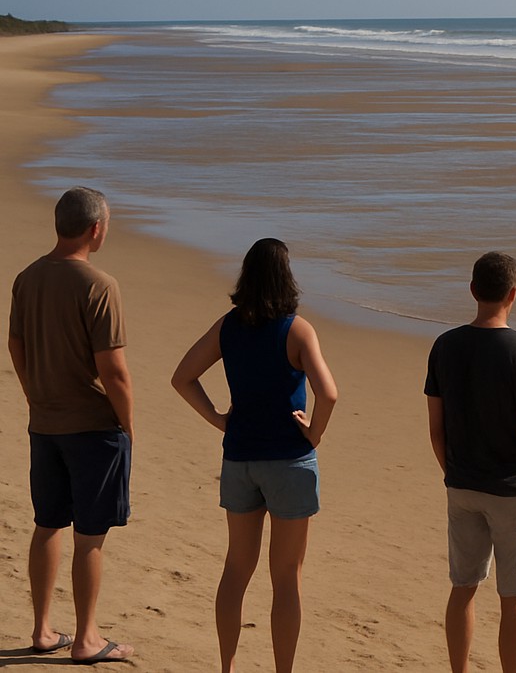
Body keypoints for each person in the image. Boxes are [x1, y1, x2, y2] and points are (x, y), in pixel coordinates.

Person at [171, 238, 337, 673]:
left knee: (236, 569)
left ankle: (226, 667)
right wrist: (314, 433)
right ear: (287, 276)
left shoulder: (228, 326)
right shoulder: (297, 329)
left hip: (240, 459)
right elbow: (330, 393)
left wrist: (219, 419)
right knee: (286, 576)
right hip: (288, 460)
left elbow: (183, 377)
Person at [7, 186, 135, 664]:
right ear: (95, 229)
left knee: (47, 524)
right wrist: (128, 422)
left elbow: (16, 346)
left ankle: (42, 630)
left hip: (46, 421)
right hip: (92, 425)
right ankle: (86, 638)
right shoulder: (99, 284)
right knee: (90, 535)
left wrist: (33, 394)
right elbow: (113, 369)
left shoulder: (28, 277)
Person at [424, 251, 516, 673]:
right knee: (514, 596)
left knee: (462, 588)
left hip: (462, 485)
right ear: (513, 294)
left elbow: (436, 427)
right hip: (514, 488)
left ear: (473, 291)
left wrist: (452, 471)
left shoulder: (445, 346)